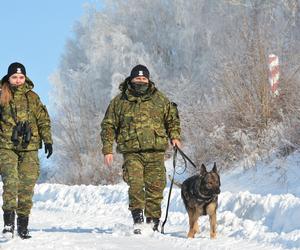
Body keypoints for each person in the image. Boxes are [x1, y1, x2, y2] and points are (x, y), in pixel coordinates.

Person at [101, 64, 181, 234]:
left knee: (156, 187)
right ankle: (138, 221)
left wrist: (174, 136)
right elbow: (108, 125)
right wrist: (108, 149)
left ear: (148, 79)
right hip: (132, 152)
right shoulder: (119, 101)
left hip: (155, 151)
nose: (141, 81)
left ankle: (153, 223)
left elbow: (171, 119)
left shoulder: (159, 99)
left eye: (144, 78)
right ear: (131, 79)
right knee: (136, 185)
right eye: (137, 78)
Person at [0, 62, 53, 239]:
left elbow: (43, 119)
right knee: (11, 183)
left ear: (25, 77)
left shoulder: (33, 97)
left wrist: (48, 140)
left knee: (26, 187)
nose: (18, 80)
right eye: (14, 77)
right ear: (9, 78)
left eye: (21, 77)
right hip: (6, 146)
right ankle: (8, 224)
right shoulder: (2, 96)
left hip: (29, 147)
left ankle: (23, 225)